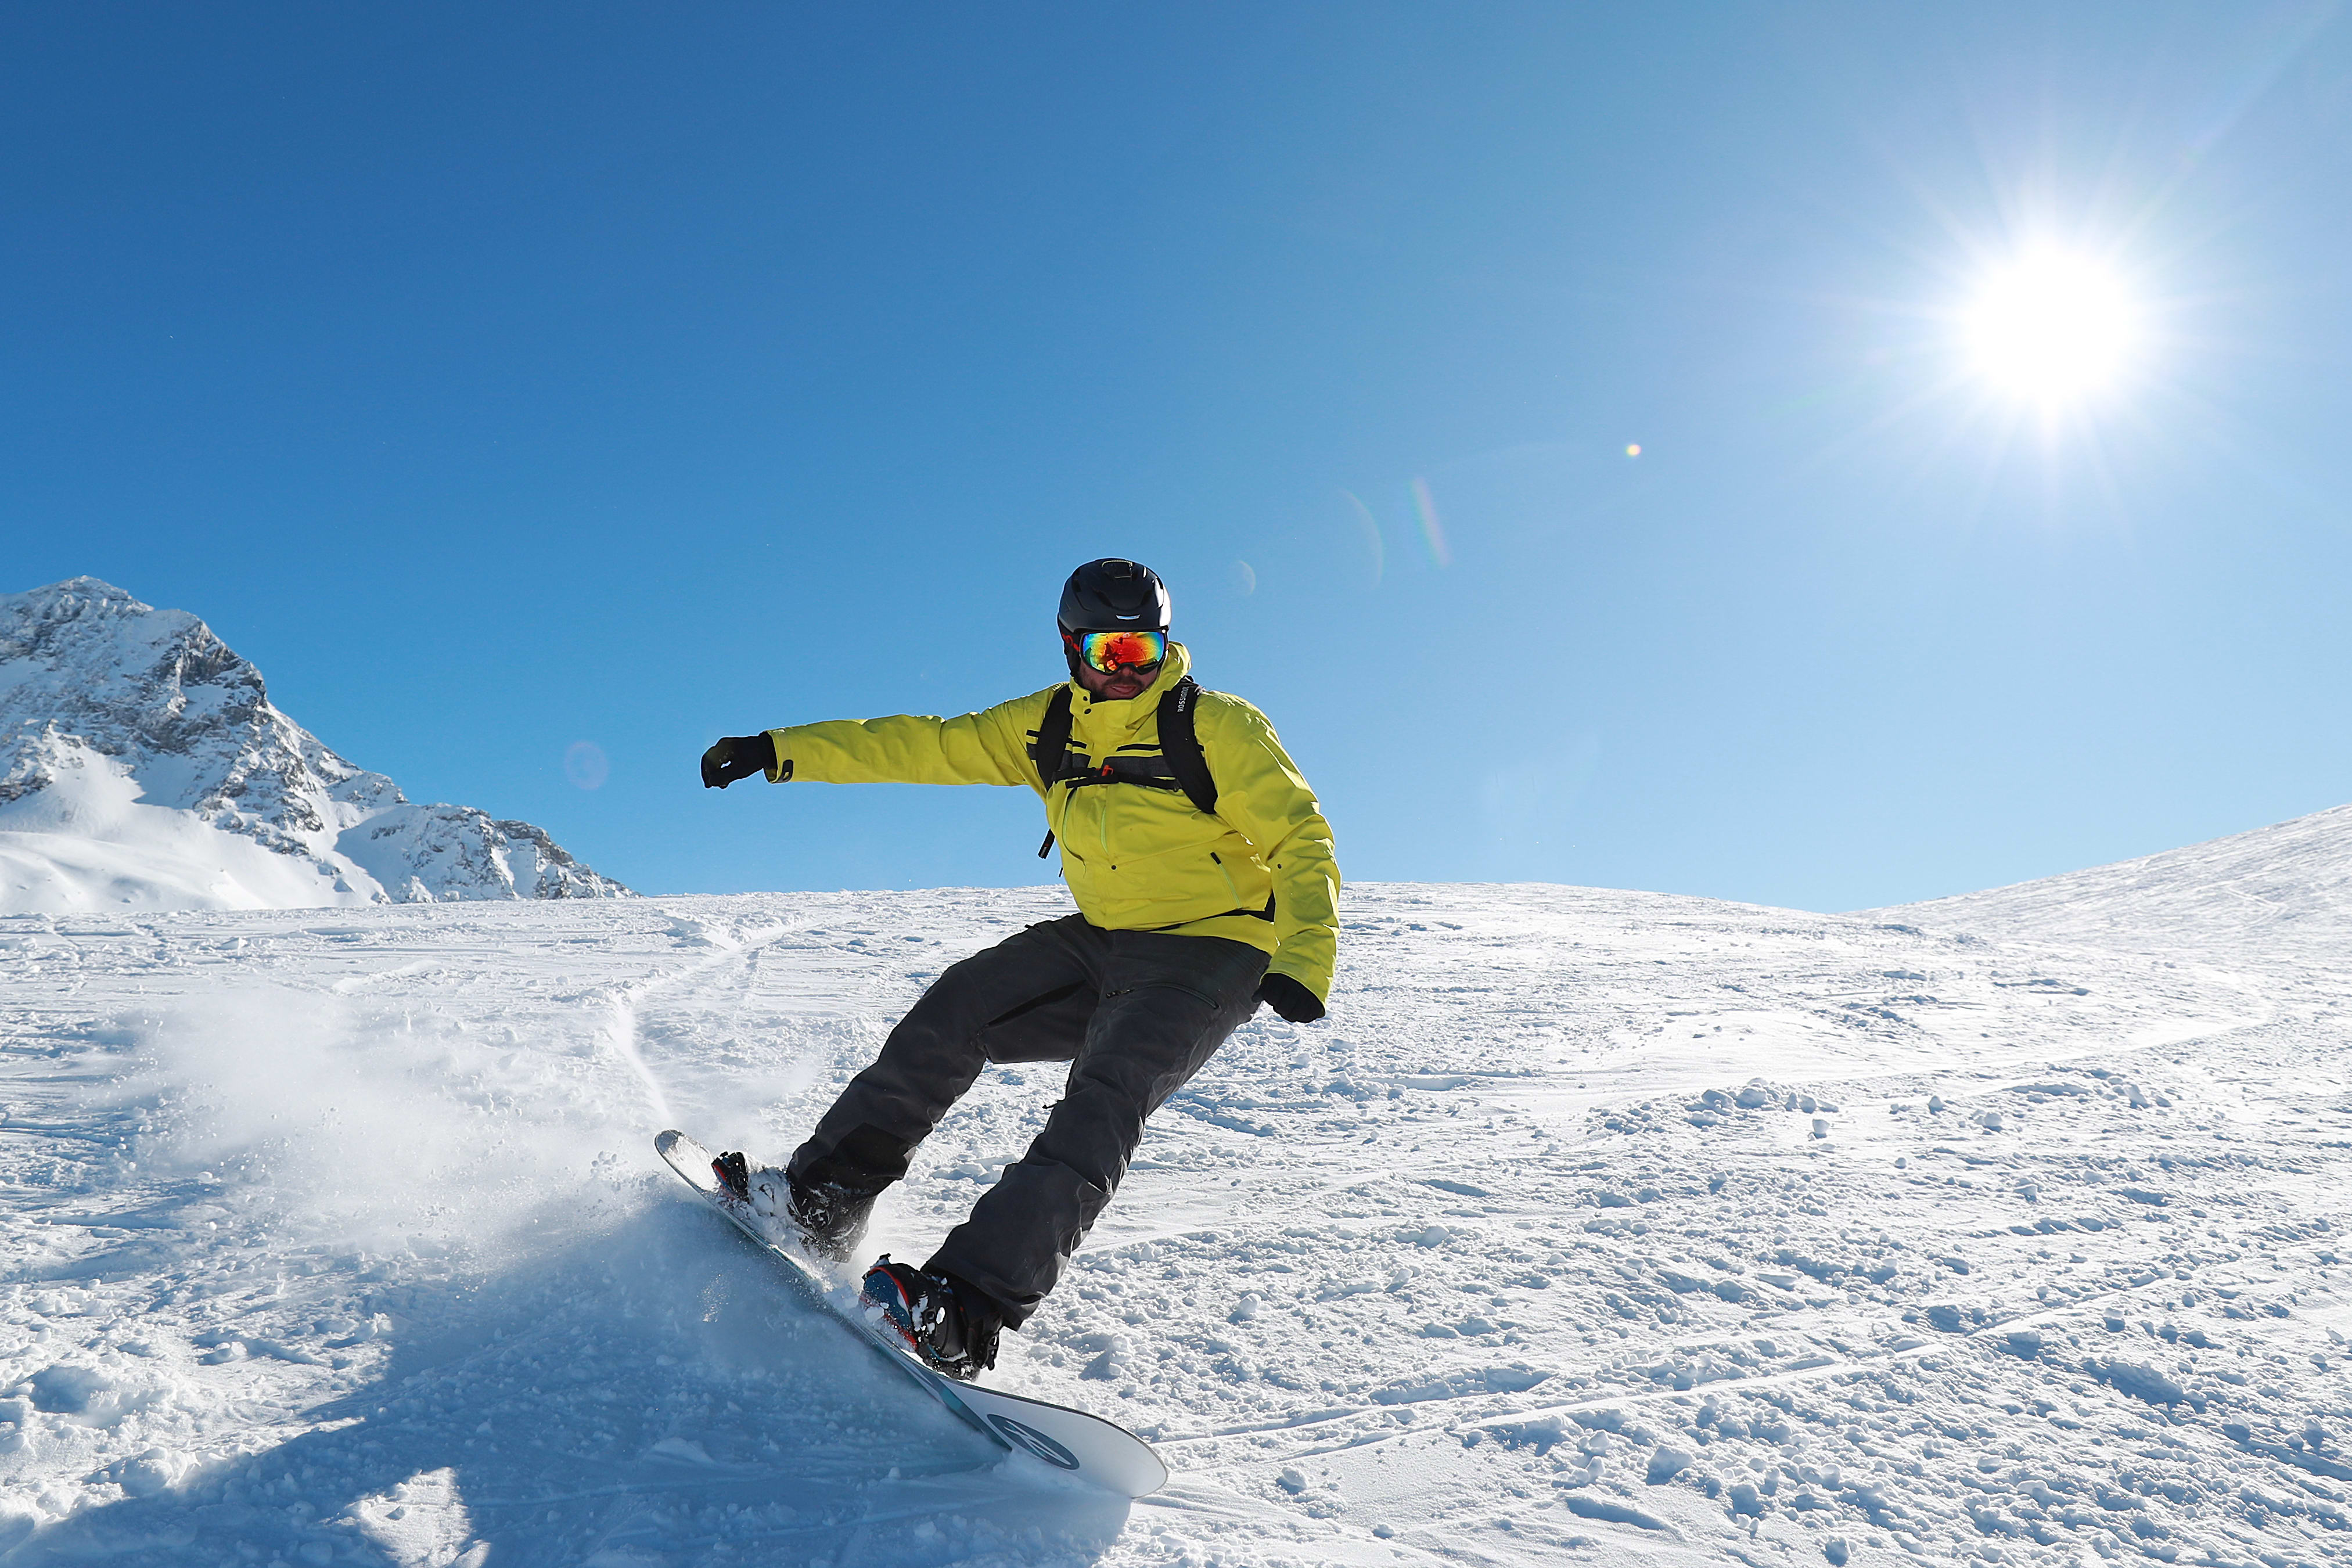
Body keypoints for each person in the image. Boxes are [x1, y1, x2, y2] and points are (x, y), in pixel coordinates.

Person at [697, 558, 1339, 1379]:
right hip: (1104, 936)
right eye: (1107, 653)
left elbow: (1301, 837)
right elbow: (921, 745)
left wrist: (1304, 958)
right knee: (961, 1005)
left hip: (1214, 948)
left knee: (1105, 1097)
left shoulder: (1217, 727)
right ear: (1070, 648)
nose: (1125, 672)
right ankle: (823, 1202)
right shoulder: (1045, 727)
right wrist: (778, 749)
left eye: (1142, 652)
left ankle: (965, 1305)